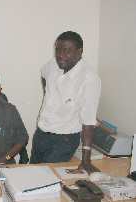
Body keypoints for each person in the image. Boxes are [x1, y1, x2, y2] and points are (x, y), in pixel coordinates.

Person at [30, 31, 101, 173]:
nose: (61, 55)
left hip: (64, 140)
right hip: (41, 133)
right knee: (32, 173)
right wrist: (47, 93)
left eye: (67, 50)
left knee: (47, 178)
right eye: (58, 49)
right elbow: (43, 74)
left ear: (79, 52)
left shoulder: (89, 78)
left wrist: (86, 160)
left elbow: (88, 121)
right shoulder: (54, 63)